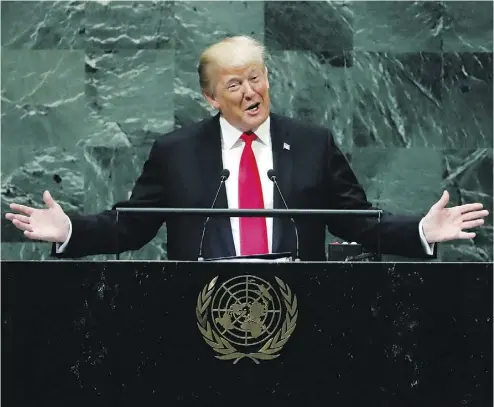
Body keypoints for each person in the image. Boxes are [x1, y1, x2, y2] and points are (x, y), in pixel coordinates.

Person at [5, 36, 489, 261]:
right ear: (210, 97)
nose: (250, 92)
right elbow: (131, 227)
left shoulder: (311, 143)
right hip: (200, 311)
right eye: (234, 84)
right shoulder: (176, 151)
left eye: (256, 77)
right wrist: (70, 229)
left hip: (301, 311)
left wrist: (420, 231)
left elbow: (355, 221)